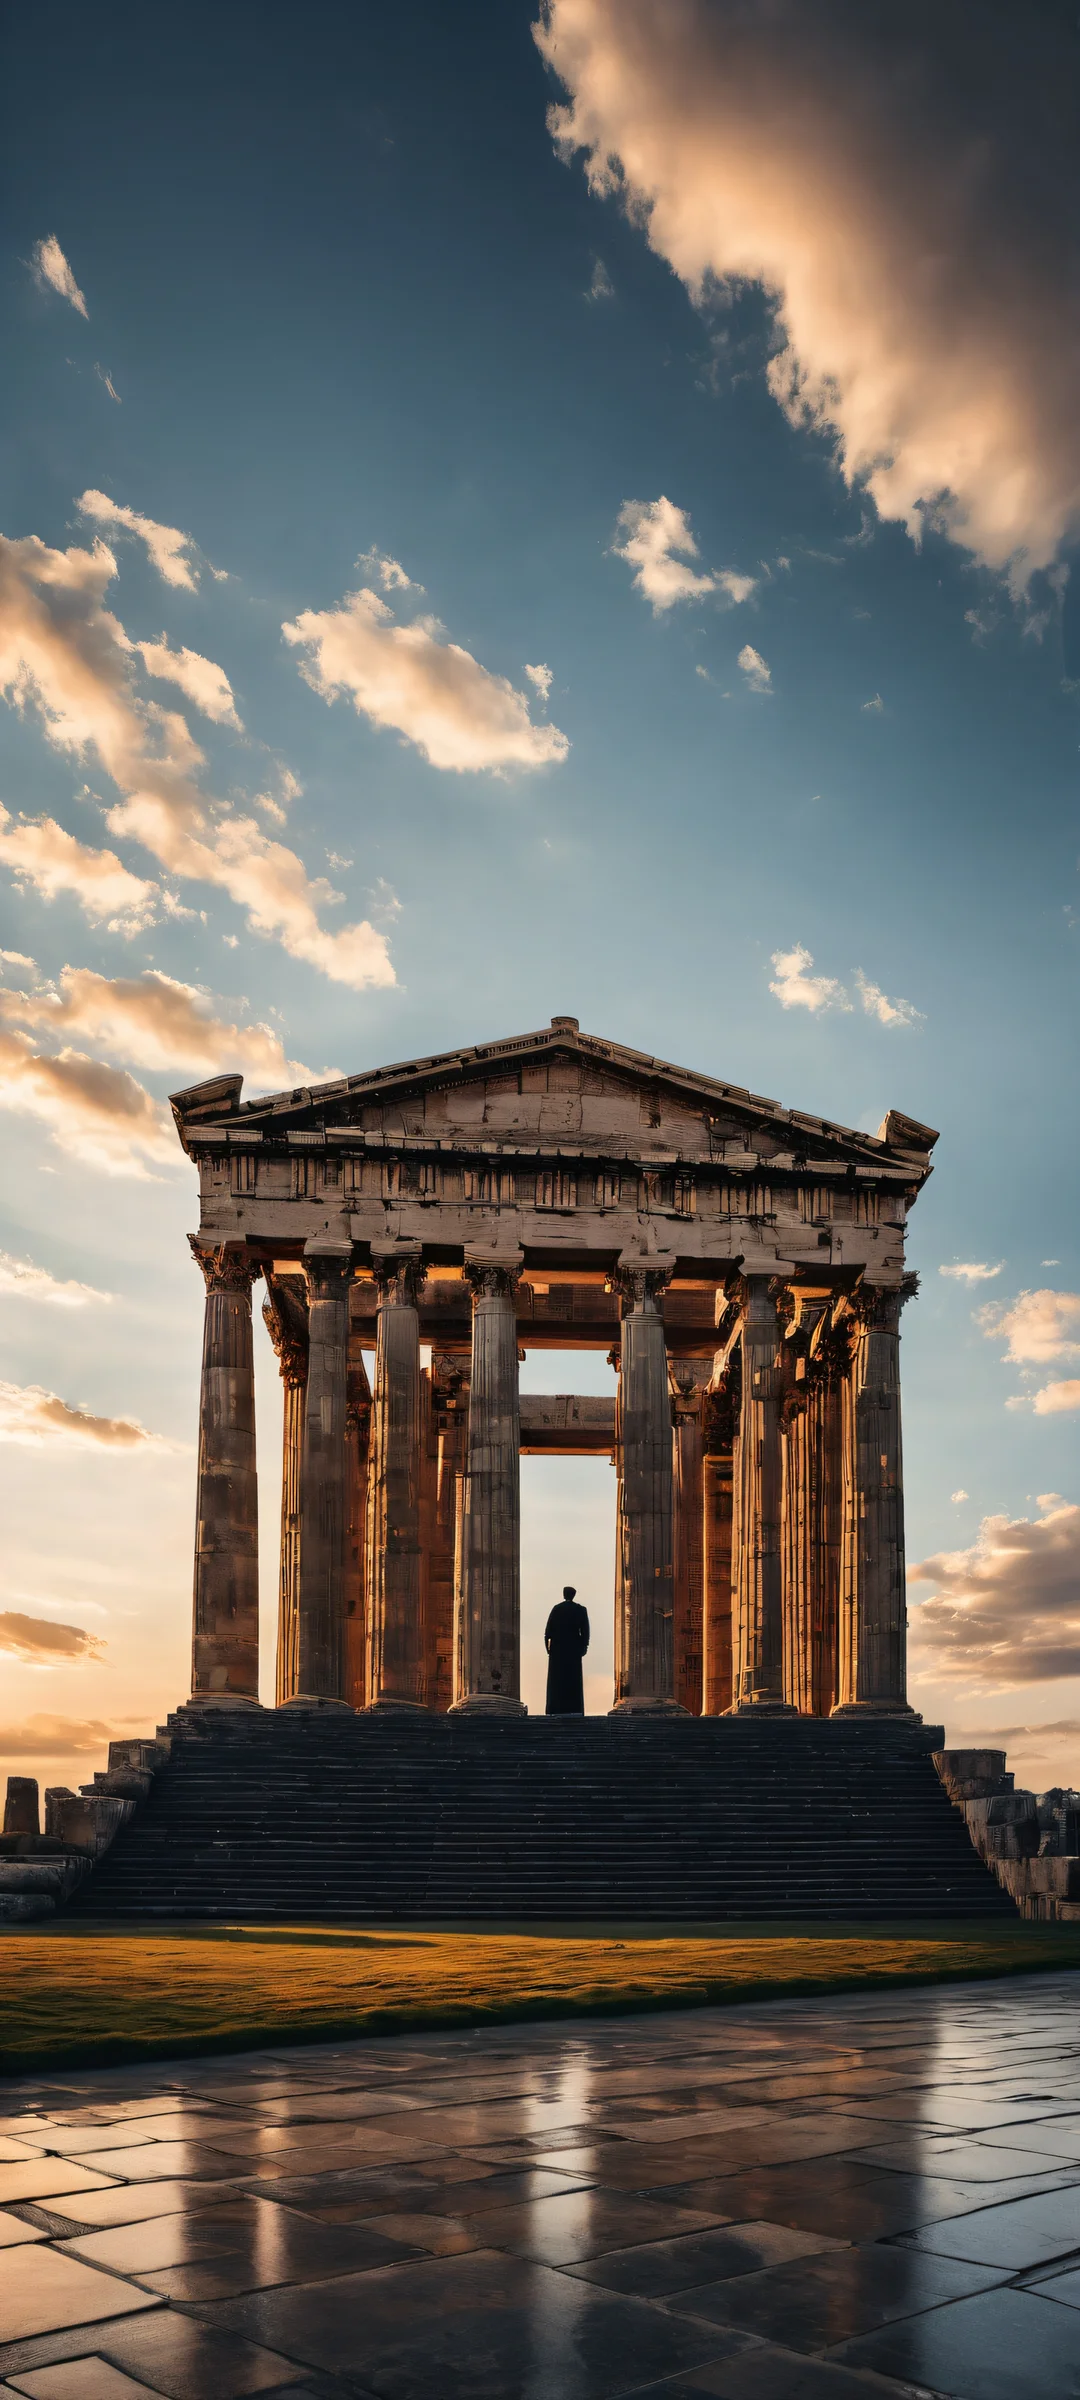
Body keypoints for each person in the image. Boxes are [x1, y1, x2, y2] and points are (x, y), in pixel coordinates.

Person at [544, 1584, 590, 1715]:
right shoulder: (581, 1610)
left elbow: (548, 1631)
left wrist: (547, 1647)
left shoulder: (556, 1609)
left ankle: (554, 1708)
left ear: (564, 1595)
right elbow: (585, 1631)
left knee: (557, 1681)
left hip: (558, 1649)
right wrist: (584, 1647)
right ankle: (574, 1709)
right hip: (573, 1649)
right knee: (573, 1680)